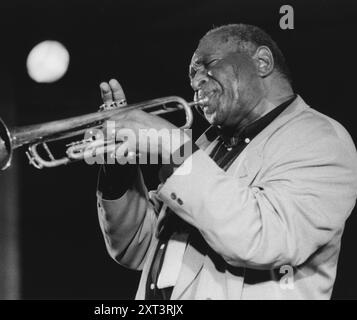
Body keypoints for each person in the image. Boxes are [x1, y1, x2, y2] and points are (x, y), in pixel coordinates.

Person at [96, 24, 357, 299]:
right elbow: (138, 248)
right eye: (192, 75)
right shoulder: (206, 147)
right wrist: (118, 171)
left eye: (206, 65)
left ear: (262, 62)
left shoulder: (321, 138)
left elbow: (265, 239)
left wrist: (172, 145)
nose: (195, 83)